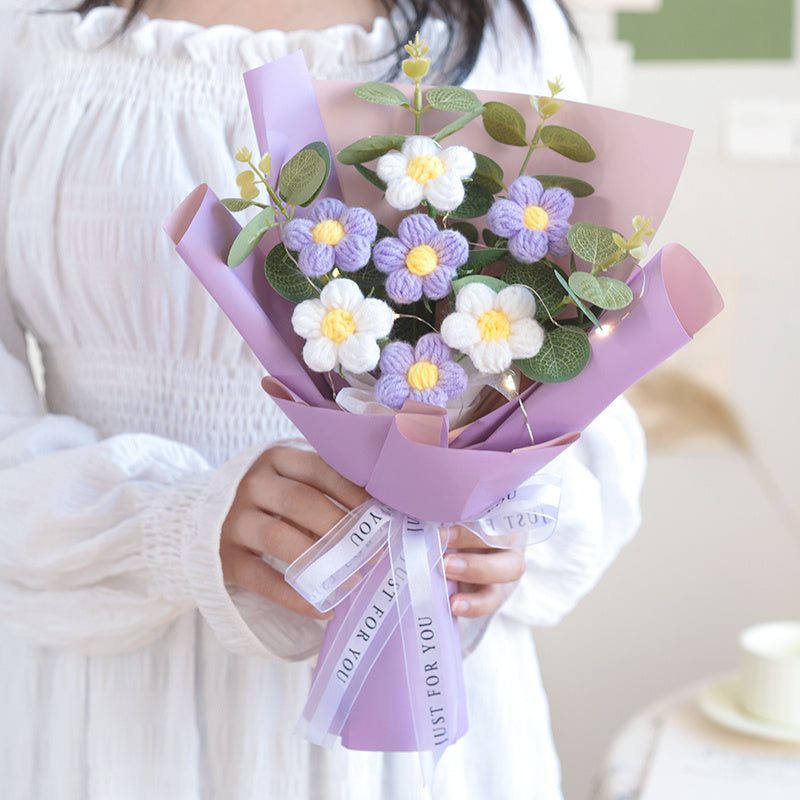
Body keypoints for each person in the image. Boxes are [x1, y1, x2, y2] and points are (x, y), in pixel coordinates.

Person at [0, 0, 646, 798]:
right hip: (112, 693)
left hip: (418, 705)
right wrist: (170, 525)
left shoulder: (515, 33)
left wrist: (505, 519)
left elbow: (580, 370)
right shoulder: (23, 31)